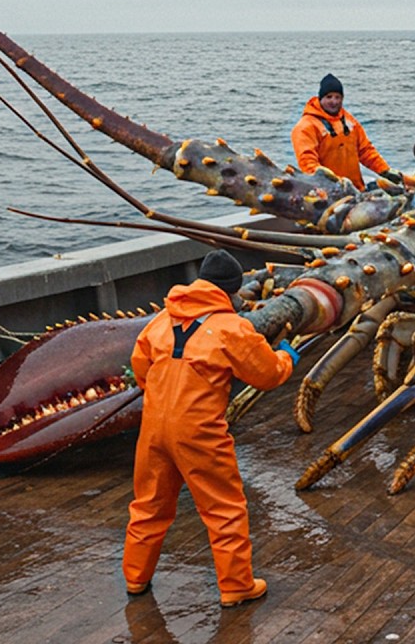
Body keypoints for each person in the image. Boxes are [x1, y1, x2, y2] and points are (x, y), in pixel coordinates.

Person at [122, 249, 299, 605]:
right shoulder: (232, 327)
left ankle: (136, 579)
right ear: (232, 291)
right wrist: (285, 359)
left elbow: (140, 368)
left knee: (148, 506)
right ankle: (236, 587)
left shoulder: (160, 321)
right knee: (224, 508)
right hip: (200, 432)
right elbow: (265, 375)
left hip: (153, 429)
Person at [291, 73, 403, 189]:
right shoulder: (306, 126)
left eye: (337, 97)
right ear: (320, 98)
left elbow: (365, 151)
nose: (334, 101)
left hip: (356, 189)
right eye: (329, 97)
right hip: (328, 192)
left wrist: (384, 170)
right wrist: (333, 184)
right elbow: (308, 163)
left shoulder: (349, 120)